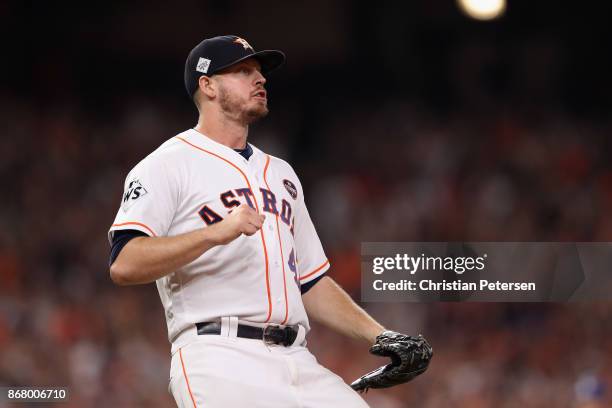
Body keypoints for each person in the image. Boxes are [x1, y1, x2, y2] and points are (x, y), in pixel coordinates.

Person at [108, 35, 421, 407]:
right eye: (242, 71)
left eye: (259, 72)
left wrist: (380, 336)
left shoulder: (281, 172)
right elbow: (125, 263)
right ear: (207, 85)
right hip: (219, 357)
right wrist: (214, 233)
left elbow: (311, 282)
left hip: (297, 359)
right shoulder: (167, 164)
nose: (260, 79)